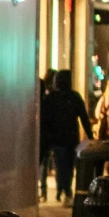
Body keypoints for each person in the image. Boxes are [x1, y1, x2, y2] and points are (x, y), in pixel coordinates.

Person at [38, 72, 93, 205]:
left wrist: (45, 138)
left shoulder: (51, 98)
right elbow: (84, 118)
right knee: (68, 166)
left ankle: (63, 191)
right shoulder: (74, 97)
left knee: (61, 165)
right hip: (72, 138)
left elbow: (44, 120)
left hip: (56, 139)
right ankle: (66, 191)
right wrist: (90, 135)